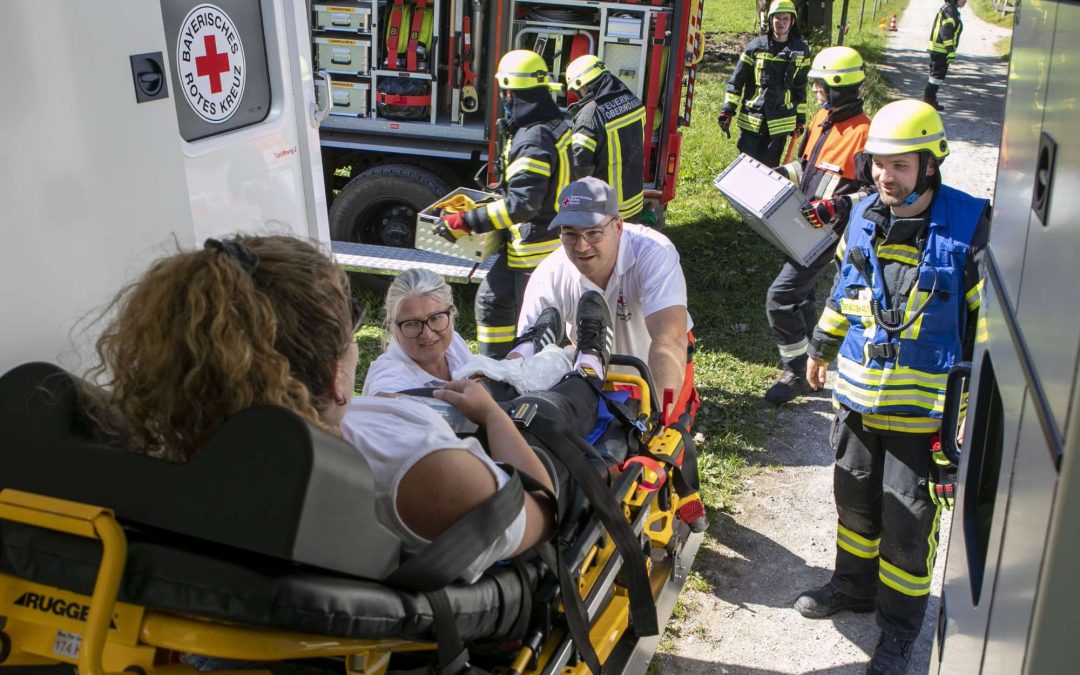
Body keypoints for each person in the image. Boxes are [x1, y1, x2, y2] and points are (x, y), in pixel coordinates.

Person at [84, 234, 585, 583]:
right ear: (333, 375)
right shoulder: (410, 459)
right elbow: (541, 512)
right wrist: (494, 417)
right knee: (551, 413)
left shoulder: (150, 449)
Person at [793, 100, 989, 675]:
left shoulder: (970, 226)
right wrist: (821, 347)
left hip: (922, 413)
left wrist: (967, 415)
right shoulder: (862, 215)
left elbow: (986, 336)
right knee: (853, 497)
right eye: (878, 164)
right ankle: (853, 587)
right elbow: (845, 288)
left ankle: (899, 632)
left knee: (907, 522)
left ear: (930, 165)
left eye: (900, 166)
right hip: (857, 395)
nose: (885, 177)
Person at [516, 176, 707, 532]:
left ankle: (684, 495)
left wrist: (660, 419)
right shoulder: (550, 275)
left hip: (657, 359)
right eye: (570, 235)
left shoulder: (653, 253)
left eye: (593, 233)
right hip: (600, 373)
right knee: (609, 449)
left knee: (669, 440)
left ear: (618, 225)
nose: (581, 246)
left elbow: (667, 342)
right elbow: (524, 356)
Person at [439, 50, 572, 358]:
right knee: (491, 300)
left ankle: (536, 383)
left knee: (539, 329)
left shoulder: (533, 139)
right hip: (543, 241)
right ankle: (493, 370)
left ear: (511, 92)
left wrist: (465, 221)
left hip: (536, 251)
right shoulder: (557, 122)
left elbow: (522, 205)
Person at [763, 46, 873, 404]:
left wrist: (837, 206)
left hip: (830, 233)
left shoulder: (864, 134)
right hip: (805, 225)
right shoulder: (822, 119)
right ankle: (814, 366)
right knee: (804, 295)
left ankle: (794, 371)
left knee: (781, 296)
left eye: (820, 85)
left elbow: (873, 192)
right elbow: (806, 167)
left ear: (839, 86)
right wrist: (780, 174)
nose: (815, 91)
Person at [362, 267, 569, 396]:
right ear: (392, 324)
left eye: (435, 318)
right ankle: (528, 351)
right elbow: (385, 398)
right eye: (412, 324)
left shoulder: (452, 343)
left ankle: (526, 349)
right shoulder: (389, 378)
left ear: (452, 313)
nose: (427, 334)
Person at [717, 0, 810, 167]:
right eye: (777, 18)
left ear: (792, 21)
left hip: (780, 123)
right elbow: (736, 81)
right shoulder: (755, 48)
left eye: (785, 19)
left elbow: (800, 87)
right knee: (746, 168)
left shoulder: (801, 51)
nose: (781, 23)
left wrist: (800, 119)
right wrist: (728, 109)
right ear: (770, 19)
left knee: (769, 171)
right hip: (753, 120)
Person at [564, 54, 646, 220]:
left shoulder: (590, 115)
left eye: (578, 91)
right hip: (635, 202)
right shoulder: (633, 101)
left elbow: (578, 166)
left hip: (608, 209)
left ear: (585, 87)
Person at [923, 0, 966, 111]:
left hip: (939, 49)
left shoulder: (948, 9)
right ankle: (928, 101)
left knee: (935, 77)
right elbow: (946, 32)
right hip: (941, 50)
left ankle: (930, 100)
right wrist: (950, 50)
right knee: (936, 77)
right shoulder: (951, 11)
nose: (966, 0)